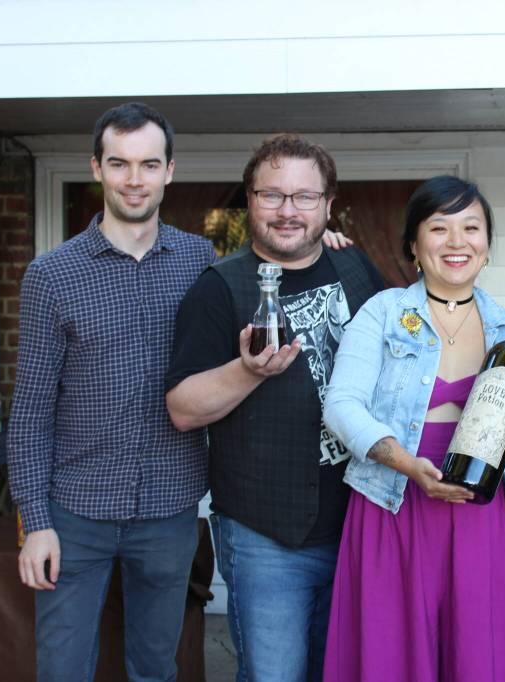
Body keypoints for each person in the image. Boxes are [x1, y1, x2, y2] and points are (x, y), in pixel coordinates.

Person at [8, 102, 217, 681]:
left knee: (155, 668)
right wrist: (35, 522)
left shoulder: (200, 260)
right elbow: (30, 410)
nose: (134, 179)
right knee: (63, 668)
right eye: (119, 163)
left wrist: (327, 243)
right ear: (96, 167)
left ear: (169, 170)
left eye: (148, 164)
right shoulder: (52, 275)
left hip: (171, 507)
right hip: (74, 510)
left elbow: (272, 273)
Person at [165, 134, 384, 682]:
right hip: (266, 536)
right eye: (272, 195)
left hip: (361, 527)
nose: (288, 211)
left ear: (328, 206)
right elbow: (183, 409)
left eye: (305, 197)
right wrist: (248, 371)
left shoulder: (355, 268)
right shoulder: (219, 287)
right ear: (250, 201)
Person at [321, 175, 505, 681]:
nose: (456, 242)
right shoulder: (383, 313)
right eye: (439, 228)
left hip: (481, 514)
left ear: (487, 245)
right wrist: (408, 465)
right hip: (393, 504)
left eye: (471, 228)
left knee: (479, 659)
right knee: (391, 656)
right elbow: (341, 406)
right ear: (413, 244)